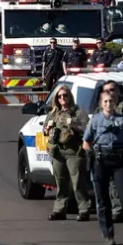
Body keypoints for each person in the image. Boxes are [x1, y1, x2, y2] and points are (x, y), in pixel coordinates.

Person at [83, 91, 123, 245]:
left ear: (115, 102)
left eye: (111, 101)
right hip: (101, 162)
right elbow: (86, 142)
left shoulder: (122, 120)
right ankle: (108, 235)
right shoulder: (95, 120)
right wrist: (93, 155)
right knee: (103, 201)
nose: (108, 104)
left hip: (119, 162)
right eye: (105, 102)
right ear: (101, 104)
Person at [45, 87, 92, 222]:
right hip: (58, 151)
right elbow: (45, 131)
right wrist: (47, 128)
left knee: (77, 182)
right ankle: (59, 210)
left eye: (65, 96)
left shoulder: (78, 112)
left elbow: (87, 129)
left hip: (73, 152)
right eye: (59, 97)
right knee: (60, 182)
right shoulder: (54, 113)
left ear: (70, 96)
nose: (62, 99)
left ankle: (84, 210)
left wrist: (74, 125)